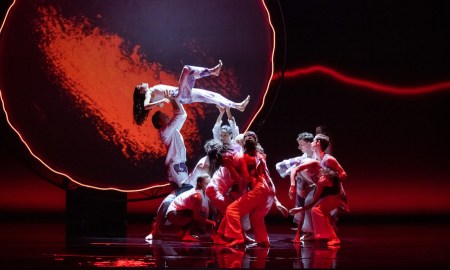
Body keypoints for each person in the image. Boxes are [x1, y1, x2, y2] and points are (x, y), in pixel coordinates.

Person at [145, 139, 224, 240]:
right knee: (167, 203)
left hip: (202, 191)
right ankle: (155, 231)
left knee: (205, 211)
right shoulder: (204, 165)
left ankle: (187, 232)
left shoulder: (216, 163)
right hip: (189, 187)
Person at [133, 60, 250, 125]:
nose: (143, 82)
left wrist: (161, 102)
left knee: (213, 96)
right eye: (140, 85)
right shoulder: (149, 92)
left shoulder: (152, 92)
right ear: (141, 91)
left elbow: (157, 103)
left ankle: (238, 106)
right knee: (187, 70)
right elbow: (146, 106)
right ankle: (212, 71)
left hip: (183, 96)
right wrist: (164, 100)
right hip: (179, 95)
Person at [289, 134, 347, 246]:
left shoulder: (328, 159)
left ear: (318, 143)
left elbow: (343, 174)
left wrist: (329, 180)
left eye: (313, 141)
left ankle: (327, 236)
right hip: (323, 190)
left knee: (318, 210)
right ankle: (329, 236)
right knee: (317, 208)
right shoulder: (316, 159)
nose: (311, 143)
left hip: (333, 192)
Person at [275, 132, 315, 243]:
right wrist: (293, 185)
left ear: (309, 144)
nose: (299, 147)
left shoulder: (316, 155)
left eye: (301, 144)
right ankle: (304, 232)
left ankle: (314, 231)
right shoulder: (303, 158)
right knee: (302, 205)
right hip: (306, 184)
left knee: (310, 205)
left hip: (317, 185)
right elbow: (293, 169)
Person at [166, 174, 216, 241]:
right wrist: (211, 222)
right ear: (199, 183)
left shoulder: (203, 194)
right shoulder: (197, 195)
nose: (208, 186)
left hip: (180, 212)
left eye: (209, 184)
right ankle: (187, 234)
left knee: (200, 213)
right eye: (206, 184)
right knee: (198, 215)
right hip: (173, 215)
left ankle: (182, 233)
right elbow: (196, 216)